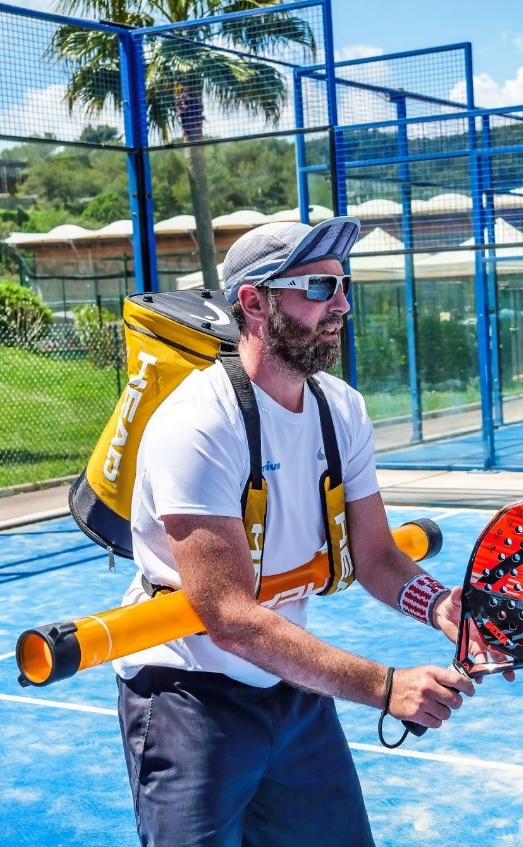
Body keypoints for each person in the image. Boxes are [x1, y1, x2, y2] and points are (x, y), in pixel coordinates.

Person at [113, 215, 476, 847]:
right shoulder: (198, 424)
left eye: (342, 285)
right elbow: (228, 616)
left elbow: (377, 556)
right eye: (316, 288)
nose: (339, 304)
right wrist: (385, 687)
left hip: (290, 678)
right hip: (187, 695)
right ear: (253, 302)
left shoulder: (342, 408)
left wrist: (444, 607)